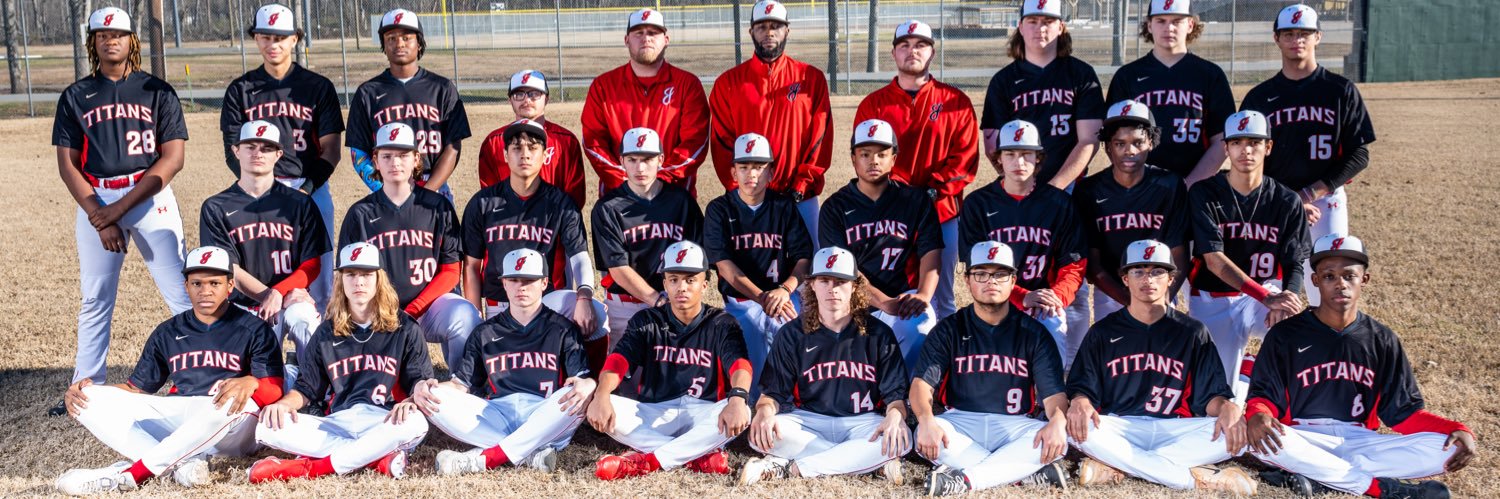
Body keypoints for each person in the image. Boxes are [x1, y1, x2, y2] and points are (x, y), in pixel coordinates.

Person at [1248, 234, 1474, 499]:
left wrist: (1456, 428)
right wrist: (1257, 413)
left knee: (1446, 448)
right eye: (1329, 276)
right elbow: (1263, 397)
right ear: (1315, 281)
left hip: (1361, 440)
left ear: (1364, 280)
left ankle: (1320, 477)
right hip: (1302, 436)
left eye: (1349, 276)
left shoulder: (1382, 339)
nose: (1340, 284)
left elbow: (1404, 414)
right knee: (1260, 440)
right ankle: (1380, 488)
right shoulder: (1286, 334)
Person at [51, 6, 192, 416]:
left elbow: (173, 159)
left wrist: (114, 214)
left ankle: (196, 376)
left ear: (133, 40)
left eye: (118, 34)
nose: (110, 40)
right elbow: (67, 164)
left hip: (149, 197)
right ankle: (85, 386)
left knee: (182, 293)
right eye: (102, 35)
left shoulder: (157, 90)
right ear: (92, 43)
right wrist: (99, 212)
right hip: (98, 196)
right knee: (95, 298)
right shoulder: (76, 95)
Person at [55, 246, 284, 495]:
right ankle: (182, 467)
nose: (205, 291)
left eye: (214, 283)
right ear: (186, 286)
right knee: (89, 398)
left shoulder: (254, 329)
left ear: (230, 286)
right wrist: (88, 391)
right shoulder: (167, 331)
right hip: (182, 415)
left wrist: (251, 382)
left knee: (230, 399)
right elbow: (136, 389)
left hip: (230, 426)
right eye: (197, 283)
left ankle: (136, 473)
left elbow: (274, 389)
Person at [1066, 240, 1254, 494]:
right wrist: (1080, 400)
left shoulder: (1192, 331)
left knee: (1236, 434)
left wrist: (1228, 406)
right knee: (1075, 429)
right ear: (1125, 279)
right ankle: (1194, 479)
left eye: (1157, 271)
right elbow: (1082, 387)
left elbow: (1210, 395)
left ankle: (1115, 466)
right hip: (1120, 426)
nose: (1148, 279)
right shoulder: (1103, 331)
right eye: (1138, 271)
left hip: (1175, 427)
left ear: (1170, 278)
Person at [248, 242, 434, 482]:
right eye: (351, 274)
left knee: (416, 423)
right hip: (337, 422)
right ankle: (377, 458)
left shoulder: (405, 328)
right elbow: (307, 389)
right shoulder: (327, 332)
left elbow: (419, 380)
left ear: (379, 280)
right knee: (267, 426)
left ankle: (309, 469)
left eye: (367, 275)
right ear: (340, 281)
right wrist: (284, 405)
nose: (359, 282)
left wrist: (411, 401)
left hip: (384, 419)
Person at [1239, 4, 1377, 308]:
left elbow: (1359, 154)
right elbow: (1245, 157)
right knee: (1271, 290)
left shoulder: (1339, 90)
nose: (1296, 39)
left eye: (1304, 33)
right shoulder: (1260, 97)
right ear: (1276, 38)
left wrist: (1309, 193)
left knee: (1329, 281)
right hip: (1272, 201)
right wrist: (1286, 200)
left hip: (1325, 201)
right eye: (1289, 33)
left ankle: (1327, 348)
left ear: (1318, 37)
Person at [416, 248, 598, 475]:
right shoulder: (485, 332)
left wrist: (588, 383)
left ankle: (483, 459)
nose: (521, 287)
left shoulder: (563, 328)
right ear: (504, 283)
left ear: (544, 283)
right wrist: (425, 388)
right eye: (514, 279)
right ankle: (530, 453)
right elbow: (460, 385)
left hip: (544, 412)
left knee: (576, 394)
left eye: (529, 280)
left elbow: (579, 381)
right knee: (433, 395)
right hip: (497, 413)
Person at [740, 246, 911, 485]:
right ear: (811, 285)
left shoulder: (879, 333)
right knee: (761, 434)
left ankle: (791, 467)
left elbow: (896, 398)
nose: (832, 289)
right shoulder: (792, 334)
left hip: (862, 421)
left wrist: (894, 416)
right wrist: (765, 413)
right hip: (807, 421)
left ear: (854, 286)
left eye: (840, 281)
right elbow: (771, 395)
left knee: (902, 436)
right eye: (824, 280)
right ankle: (865, 462)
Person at [585, 241, 752, 480]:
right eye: (673, 279)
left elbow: (740, 365)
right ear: (664, 283)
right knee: (606, 404)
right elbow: (618, 361)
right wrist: (601, 395)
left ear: (705, 285)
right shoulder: (647, 319)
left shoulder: (721, 322)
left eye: (690, 280)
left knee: (742, 409)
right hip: (655, 410)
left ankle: (646, 462)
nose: (681, 287)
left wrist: (737, 397)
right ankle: (698, 456)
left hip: (702, 411)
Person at [913, 242, 1069, 494]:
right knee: (923, 432)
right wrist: (926, 419)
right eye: (981, 274)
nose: (990, 281)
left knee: (1057, 439)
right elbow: (921, 385)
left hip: (1015, 424)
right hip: (960, 421)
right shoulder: (949, 328)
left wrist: (1058, 420)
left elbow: (1054, 396)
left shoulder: (1034, 333)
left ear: (1013, 280)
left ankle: (965, 481)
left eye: (999, 274)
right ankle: (1022, 473)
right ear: (967, 280)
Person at [854, 19, 980, 319]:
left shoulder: (955, 101)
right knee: (885, 292)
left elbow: (965, 160)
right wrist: (895, 194)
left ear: (932, 52)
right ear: (894, 53)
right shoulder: (874, 104)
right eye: (905, 45)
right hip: (886, 214)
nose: (913, 51)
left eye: (921, 44)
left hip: (940, 213)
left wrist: (932, 190)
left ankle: (944, 364)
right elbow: (863, 156)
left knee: (940, 297)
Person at [461, 118, 609, 373]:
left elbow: (580, 257)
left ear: (544, 155)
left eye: (533, 147)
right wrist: (476, 316)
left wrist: (584, 295)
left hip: (546, 303)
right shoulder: (483, 203)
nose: (525, 154)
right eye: (517, 148)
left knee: (597, 313)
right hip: (500, 304)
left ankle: (590, 386)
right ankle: (471, 385)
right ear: (505, 155)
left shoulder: (561, 203)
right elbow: (472, 267)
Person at [220, 3, 343, 308]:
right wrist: (259, 187)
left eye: (280, 37)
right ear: (256, 39)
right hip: (258, 191)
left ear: (295, 39)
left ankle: (312, 353)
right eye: (265, 37)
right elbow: (232, 150)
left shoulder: (317, 87)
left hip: (309, 189)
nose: (273, 44)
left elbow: (331, 151)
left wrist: (305, 191)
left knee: (320, 283)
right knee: (264, 273)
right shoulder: (241, 90)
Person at [1187, 110, 1310, 401]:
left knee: (1296, 333)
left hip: (1264, 296)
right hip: (1213, 299)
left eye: (1254, 142)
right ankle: (1245, 375)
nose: (1246, 150)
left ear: (1268, 147)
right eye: (1238, 142)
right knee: (1218, 395)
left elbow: (1295, 261)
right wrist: (1267, 297)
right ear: (1226, 148)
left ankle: (1279, 403)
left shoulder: (1286, 199)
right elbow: (1213, 260)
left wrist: (1288, 298)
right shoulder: (1204, 193)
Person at [200, 121, 329, 390]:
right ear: (236, 151)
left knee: (305, 321)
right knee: (256, 383)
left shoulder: (300, 202)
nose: (258, 153)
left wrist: (278, 293)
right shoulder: (216, 206)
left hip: (290, 298)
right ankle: (286, 380)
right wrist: (267, 296)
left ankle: (315, 393)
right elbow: (228, 267)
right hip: (243, 305)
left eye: (267, 148)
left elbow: (312, 265)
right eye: (250, 146)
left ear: (278, 155)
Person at [338, 122, 479, 367]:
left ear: (416, 159)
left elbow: (450, 271)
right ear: (375, 161)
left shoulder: (438, 207)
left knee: (464, 316)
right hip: (378, 310)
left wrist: (414, 310)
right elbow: (347, 277)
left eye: (403, 155)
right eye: (387, 156)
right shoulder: (359, 213)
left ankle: (463, 384)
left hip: (429, 308)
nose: (395, 163)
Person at [959, 120, 1085, 367]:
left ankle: (1048, 399)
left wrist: (1056, 297)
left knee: (1052, 323)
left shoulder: (1059, 204)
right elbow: (975, 270)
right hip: (995, 299)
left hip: (1044, 301)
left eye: (1027, 154)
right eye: (1011, 154)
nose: (1019, 162)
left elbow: (1074, 264)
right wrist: (1020, 296)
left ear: (1038, 158)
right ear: (998, 158)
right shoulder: (978, 203)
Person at [819, 119, 942, 372]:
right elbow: (842, 270)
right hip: (853, 301)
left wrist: (923, 296)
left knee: (920, 326)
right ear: (853, 158)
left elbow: (931, 253)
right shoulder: (835, 207)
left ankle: (912, 394)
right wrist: (883, 302)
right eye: (865, 154)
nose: (873, 161)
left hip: (903, 297)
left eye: (882, 154)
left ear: (894, 159)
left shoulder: (915, 200)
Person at [1070, 100, 1190, 352]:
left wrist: (1164, 296)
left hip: (1160, 289)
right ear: (1107, 148)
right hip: (1112, 292)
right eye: (1120, 143)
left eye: (1137, 142)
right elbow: (1093, 266)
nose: (1129, 151)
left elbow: (1179, 251)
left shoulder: (1169, 185)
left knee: (1162, 359)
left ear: (1150, 143)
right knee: (1115, 359)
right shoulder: (1089, 190)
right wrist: (1129, 300)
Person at [708, 0, 832, 237]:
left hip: (800, 197)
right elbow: (723, 145)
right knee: (750, 266)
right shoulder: (728, 83)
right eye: (762, 26)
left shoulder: (810, 78)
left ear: (787, 30)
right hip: (749, 198)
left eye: (776, 26)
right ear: (751, 31)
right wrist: (743, 190)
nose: (769, 32)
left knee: (808, 268)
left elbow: (820, 139)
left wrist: (802, 184)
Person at [703, 133, 813, 396]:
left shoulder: (783, 206)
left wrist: (785, 289)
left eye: (759, 166)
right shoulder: (719, 209)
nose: (751, 173)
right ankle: (751, 404)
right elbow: (726, 267)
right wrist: (762, 297)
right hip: (742, 302)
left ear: (771, 172)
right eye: (744, 167)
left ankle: (792, 400)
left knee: (797, 335)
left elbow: (804, 259)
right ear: (733, 172)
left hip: (781, 296)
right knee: (748, 365)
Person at [591, 127, 705, 345]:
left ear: (661, 160)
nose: (640, 167)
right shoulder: (608, 208)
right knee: (626, 377)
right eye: (632, 159)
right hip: (626, 307)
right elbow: (618, 269)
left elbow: (698, 259)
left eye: (648, 159)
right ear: (622, 161)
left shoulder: (681, 202)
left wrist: (680, 301)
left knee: (675, 375)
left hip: (675, 305)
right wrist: (658, 300)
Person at [581, 8, 710, 197]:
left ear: (666, 40)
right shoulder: (603, 86)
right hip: (619, 198)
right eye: (638, 33)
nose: (646, 38)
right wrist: (626, 181)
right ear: (627, 40)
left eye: (653, 33)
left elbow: (695, 142)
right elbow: (593, 142)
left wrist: (659, 180)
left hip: (674, 198)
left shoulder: (687, 85)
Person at [346, 7, 471, 200]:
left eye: (406, 37)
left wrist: (428, 191)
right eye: (391, 38)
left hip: (434, 186)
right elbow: (358, 151)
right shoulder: (368, 92)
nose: (399, 44)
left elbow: (453, 147)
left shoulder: (442, 88)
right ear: (384, 46)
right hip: (387, 187)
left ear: (419, 43)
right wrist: (385, 190)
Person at [1105, 0, 1234, 184]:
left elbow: (1222, 140)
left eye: (1177, 21)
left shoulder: (1209, 75)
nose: (1169, 28)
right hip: (1141, 186)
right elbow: (1112, 139)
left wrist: (1190, 185)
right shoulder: (1128, 76)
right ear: (1149, 25)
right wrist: (1135, 182)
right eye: (1161, 21)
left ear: (1190, 25)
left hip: (1196, 186)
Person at [980, 0, 1104, 189]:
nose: (1040, 28)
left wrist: (1057, 186)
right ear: (1020, 27)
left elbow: (1089, 140)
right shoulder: (1003, 81)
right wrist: (1020, 184)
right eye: (1033, 21)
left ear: (1061, 27)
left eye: (1048, 21)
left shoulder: (1081, 74)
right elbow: (993, 147)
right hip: (1022, 188)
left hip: (1070, 186)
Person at [477, 70, 586, 209]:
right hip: (509, 226)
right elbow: (490, 197)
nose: (526, 100)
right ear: (510, 100)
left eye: (534, 94)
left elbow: (575, 196)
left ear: (546, 98)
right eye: (519, 94)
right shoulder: (494, 142)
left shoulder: (565, 141)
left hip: (555, 224)